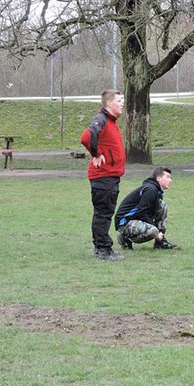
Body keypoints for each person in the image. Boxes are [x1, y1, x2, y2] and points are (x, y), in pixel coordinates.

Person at [80, 90, 126, 261]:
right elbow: (87, 136)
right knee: (103, 213)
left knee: (105, 212)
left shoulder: (112, 122)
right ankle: (103, 249)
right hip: (103, 176)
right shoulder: (102, 119)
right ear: (109, 104)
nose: (122, 103)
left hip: (110, 176)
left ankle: (103, 247)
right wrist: (96, 153)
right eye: (119, 100)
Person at [114, 167, 180, 250]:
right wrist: (157, 232)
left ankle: (160, 243)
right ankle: (124, 238)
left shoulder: (156, 191)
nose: (170, 180)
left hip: (136, 220)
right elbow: (142, 212)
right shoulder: (150, 190)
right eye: (167, 177)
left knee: (162, 205)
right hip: (125, 222)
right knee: (153, 231)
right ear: (159, 178)